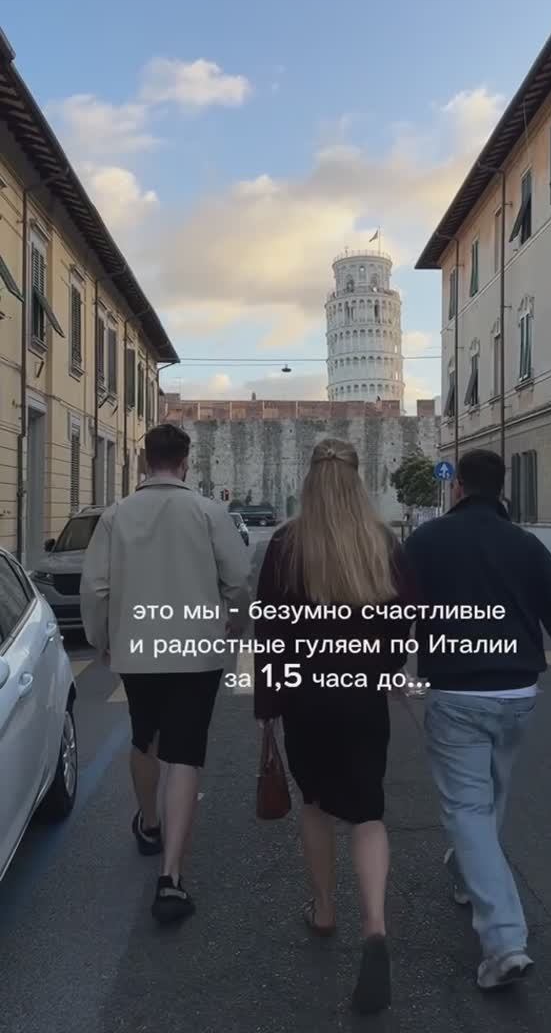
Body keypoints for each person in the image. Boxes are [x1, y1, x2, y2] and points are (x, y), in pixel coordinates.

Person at [404, 448, 551, 991]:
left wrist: (384, 665)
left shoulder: (427, 541)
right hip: (517, 694)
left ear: (458, 487)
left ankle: (504, 940)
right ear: (502, 488)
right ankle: (467, 875)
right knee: (491, 795)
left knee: (468, 808)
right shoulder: (525, 544)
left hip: (458, 693)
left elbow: (397, 610)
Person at [253, 438, 415, 1016]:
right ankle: (375, 927)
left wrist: (268, 706)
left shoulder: (286, 546)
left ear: (310, 482)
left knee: (317, 804)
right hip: (363, 699)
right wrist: (383, 669)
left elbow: (270, 631)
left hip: (306, 701)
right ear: (356, 481)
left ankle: (324, 911)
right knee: (368, 812)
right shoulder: (383, 543)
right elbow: (403, 622)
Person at [80, 423, 250, 924]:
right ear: (185, 462)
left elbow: (95, 588)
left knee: (145, 738)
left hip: (137, 648)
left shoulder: (115, 516)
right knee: (185, 754)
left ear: (143, 461)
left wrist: (101, 639)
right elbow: (238, 579)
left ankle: (149, 824)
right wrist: (235, 621)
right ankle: (171, 878)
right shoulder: (209, 512)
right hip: (197, 649)